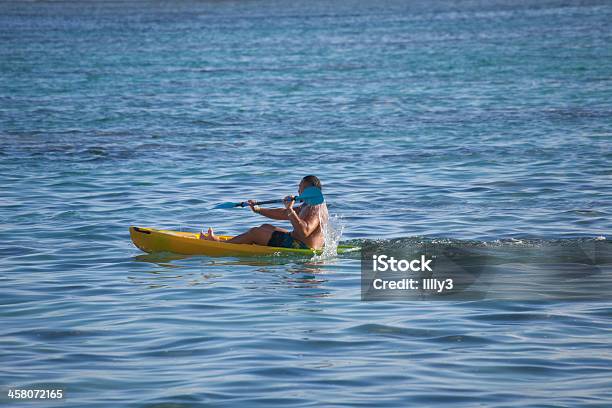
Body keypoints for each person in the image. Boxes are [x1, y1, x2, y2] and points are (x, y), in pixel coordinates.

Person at [201, 175, 328, 250]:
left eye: (300, 187)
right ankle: (227, 242)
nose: (298, 190)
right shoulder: (309, 204)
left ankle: (220, 245)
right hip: (299, 241)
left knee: (255, 232)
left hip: (303, 247)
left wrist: (289, 209)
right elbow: (284, 214)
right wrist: (259, 210)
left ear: (308, 190)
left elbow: (305, 231)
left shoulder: (315, 208)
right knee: (265, 227)